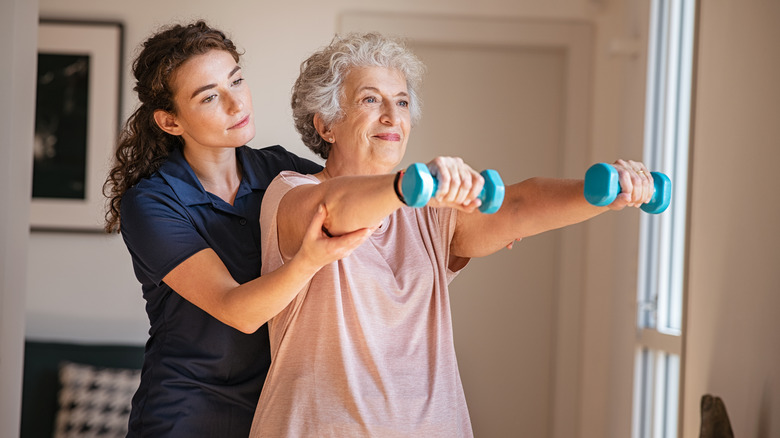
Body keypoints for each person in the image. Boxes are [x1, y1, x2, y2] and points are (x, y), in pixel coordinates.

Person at [248, 32, 656, 437]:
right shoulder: (291, 191)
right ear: (326, 124)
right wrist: (409, 183)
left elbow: (516, 206)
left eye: (402, 101)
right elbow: (332, 211)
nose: (393, 116)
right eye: (371, 99)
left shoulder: (427, 208)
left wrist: (604, 192)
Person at [102, 21, 372, 437]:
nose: (236, 103)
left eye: (236, 81)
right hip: (186, 413)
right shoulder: (153, 202)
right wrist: (310, 259)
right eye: (210, 97)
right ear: (171, 122)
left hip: (274, 408)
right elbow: (236, 311)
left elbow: (350, 200)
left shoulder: (280, 170)